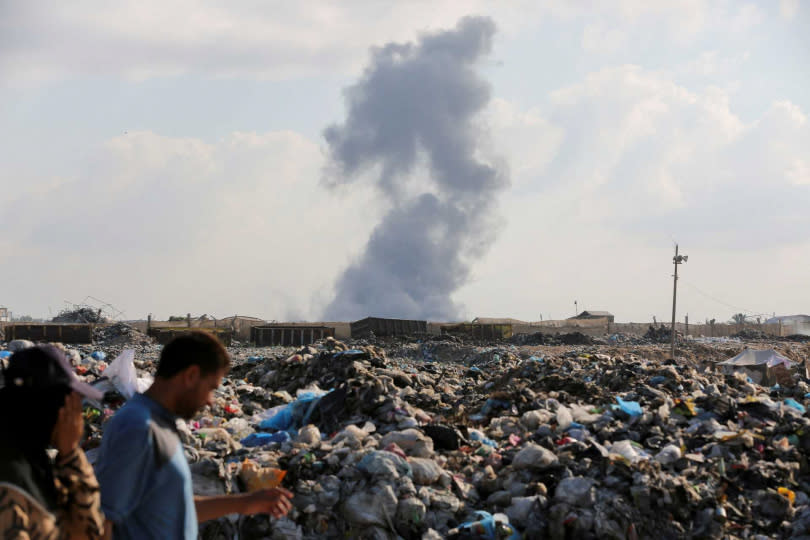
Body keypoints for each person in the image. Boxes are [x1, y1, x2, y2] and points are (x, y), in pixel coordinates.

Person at [94, 331, 292, 539]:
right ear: (191, 376)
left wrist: (243, 503)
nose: (210, 401)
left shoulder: (160, 425)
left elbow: (176, 507)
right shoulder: (138, 427)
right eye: (211, 388)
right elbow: (102, 520)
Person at [0, 345, 106, 539]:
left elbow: (86, 532)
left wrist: (71, 456)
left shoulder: (34, 463)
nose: (77, 416)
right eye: (70, 404)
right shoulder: (11, 479)